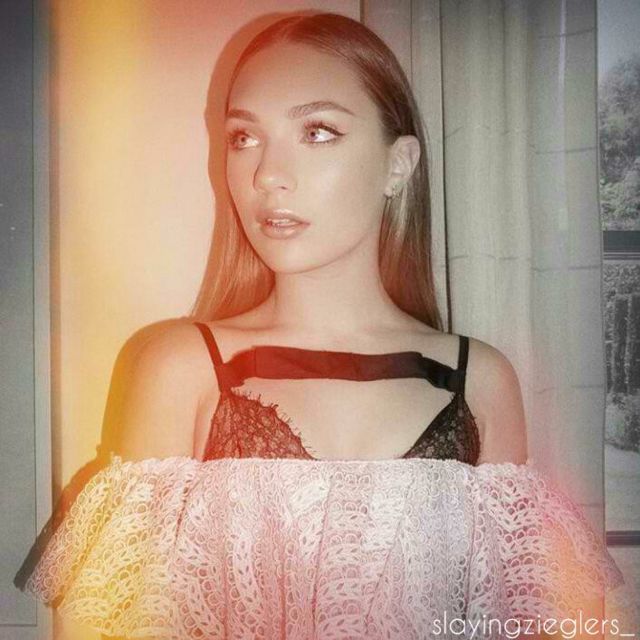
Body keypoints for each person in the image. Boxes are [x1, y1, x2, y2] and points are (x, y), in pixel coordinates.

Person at [19, 12, 638, 640]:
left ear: (399, 164)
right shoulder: (180, 367)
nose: (267, 175)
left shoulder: (480, 380)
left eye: (317, 131)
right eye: (244, 137)